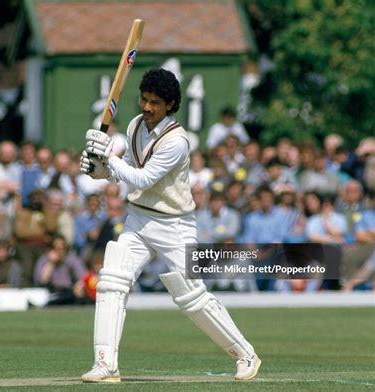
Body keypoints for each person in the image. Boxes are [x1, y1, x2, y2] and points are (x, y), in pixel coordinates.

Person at [79, 68, 260, 383]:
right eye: (144, 100)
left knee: (191, 296)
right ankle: (105, 364)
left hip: (174, 224)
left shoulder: (177, 141)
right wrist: (101, 172)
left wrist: (109, 157)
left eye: (155, 103)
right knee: (112, 281)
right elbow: (129, 174)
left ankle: (245, 354)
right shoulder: (136, 125)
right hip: (138, 217)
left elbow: (144, 178)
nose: (147, 108)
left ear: (171, 104)